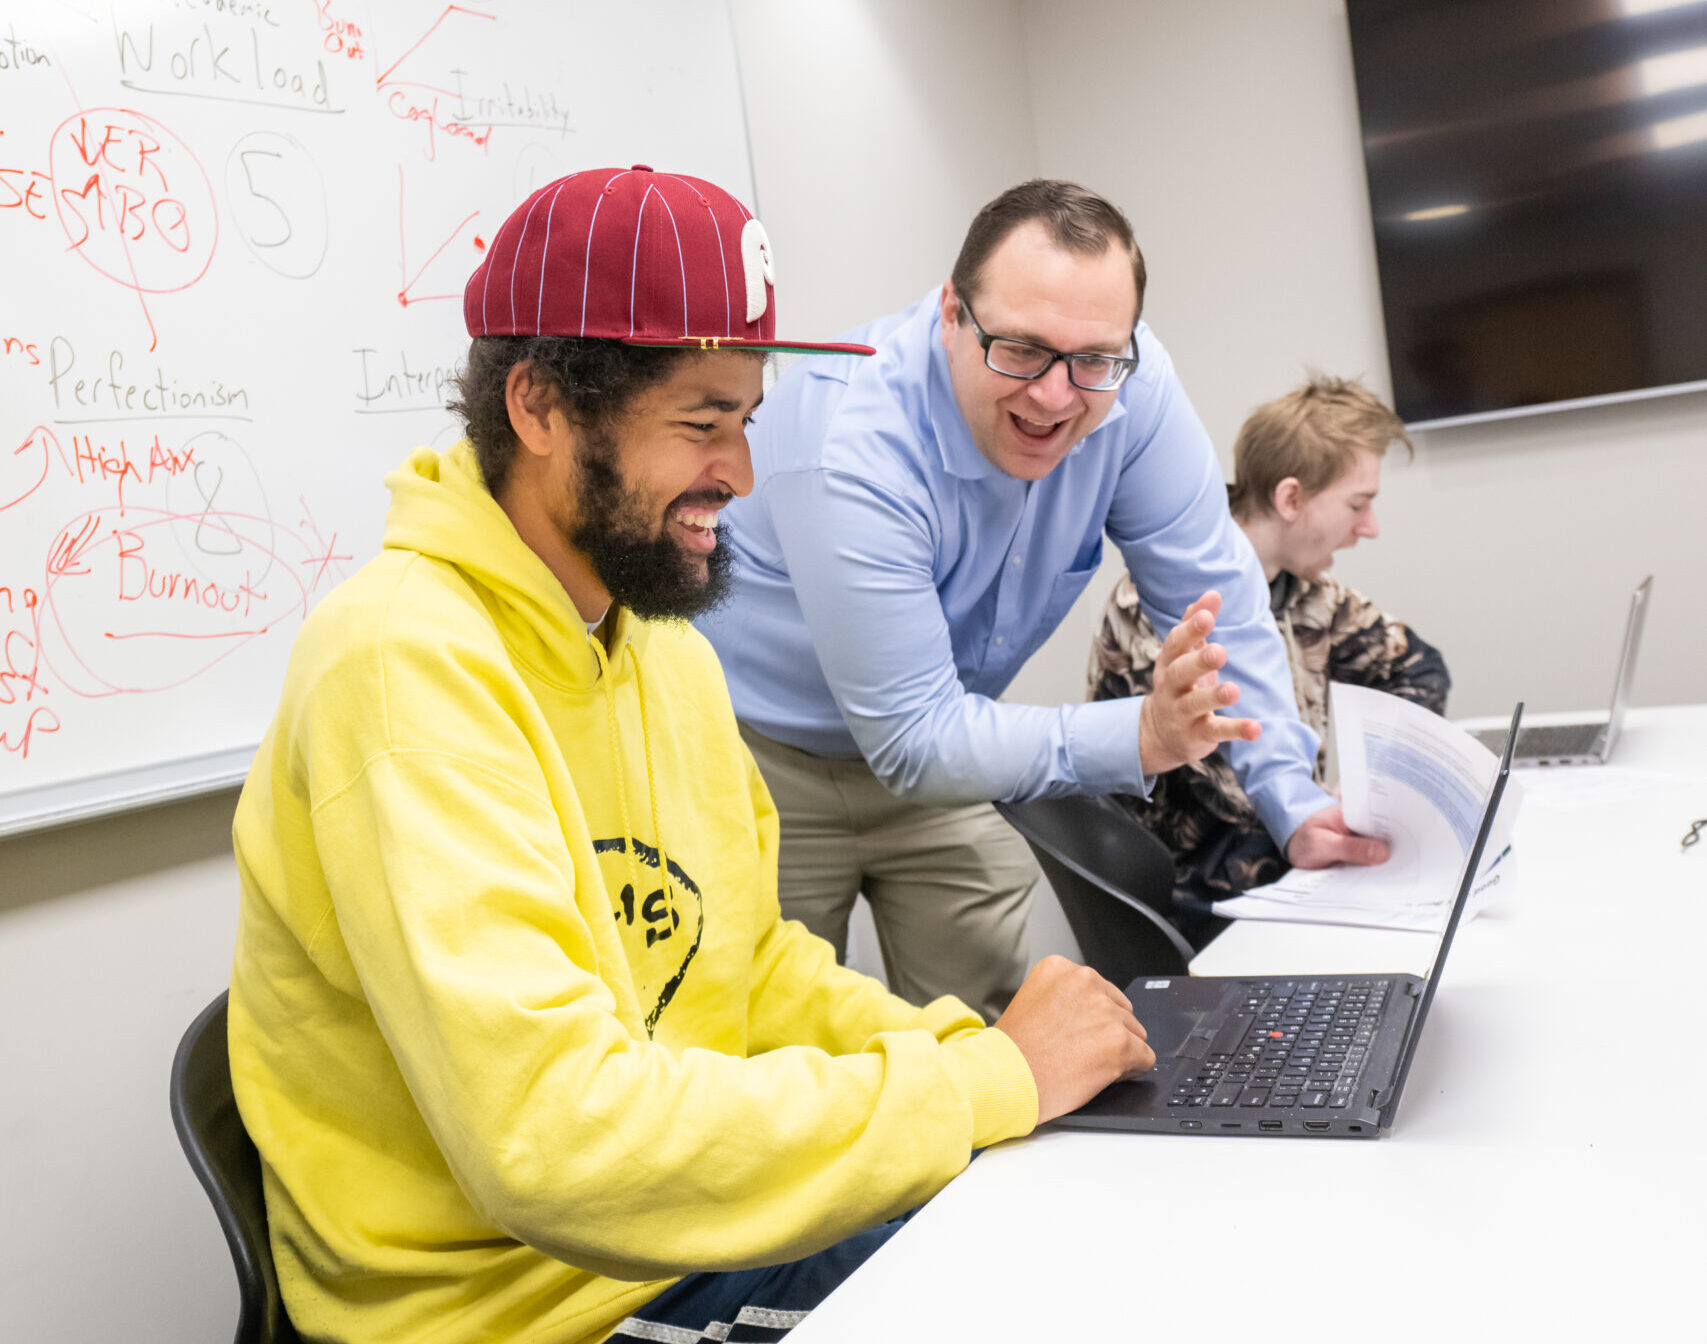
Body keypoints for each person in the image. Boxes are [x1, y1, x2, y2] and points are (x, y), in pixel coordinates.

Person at [226, 166, 1156, 1344]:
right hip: (519, 1312)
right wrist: (982, 1086)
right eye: (701, 422)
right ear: (543, 408)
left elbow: (748, 973)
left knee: (1069, 1231)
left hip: (669, 1254)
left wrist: (975, 1052)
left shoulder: (652, 639)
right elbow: (554, 1141)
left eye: (748, 420)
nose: (743, 475)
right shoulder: (402, 669)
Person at [695, 180, 1387, 1021]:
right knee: (779, 1050)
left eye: (1093, 359)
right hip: (766, 764)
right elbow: (912, 738)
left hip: (952, 749)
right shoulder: (855, 444)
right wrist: (1140, 734)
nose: (1056, 396)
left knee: (986, 1039)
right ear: (952, 312)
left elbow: (1215, 599)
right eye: (1019, 350)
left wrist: (1293, 800)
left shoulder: (1131, 386)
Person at [1089, 375, 1450, 937]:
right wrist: (1330, 811)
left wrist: (1368, 780)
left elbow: (1416, 667)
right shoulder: (1160, 604)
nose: (1369, 527)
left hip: (1285, 868)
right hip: (1204, 893)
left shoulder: (1311, 593)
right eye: (1358, 504)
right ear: (1290, 499)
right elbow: (1232, 790)